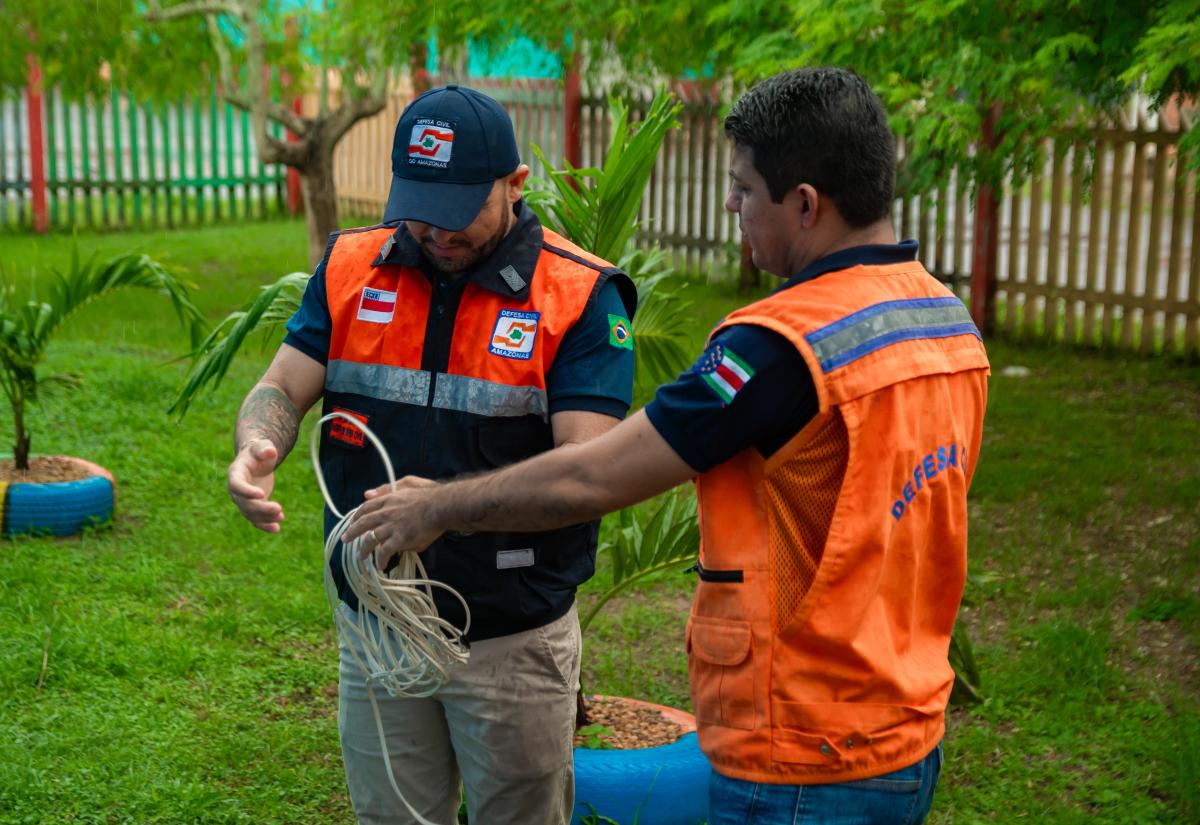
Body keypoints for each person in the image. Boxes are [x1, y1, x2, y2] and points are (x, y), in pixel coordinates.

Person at [342, 67, 991, 825]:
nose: (731, 205)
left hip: (803, 751)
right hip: (907, 734)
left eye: (744, 188)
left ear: (806, 204)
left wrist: (438, 506)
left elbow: (597, 476)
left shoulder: (779, 348)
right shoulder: (946, 323)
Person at [226, 84, 637, 825]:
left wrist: (440, 508)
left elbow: (587, 475)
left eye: (456, 213)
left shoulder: (578, 296)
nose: (435, 233)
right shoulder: (353, 264)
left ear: (514, 185)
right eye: (418, 206)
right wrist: (258, 443)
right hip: (378, 627)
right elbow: (283, 384)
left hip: (511, 642)